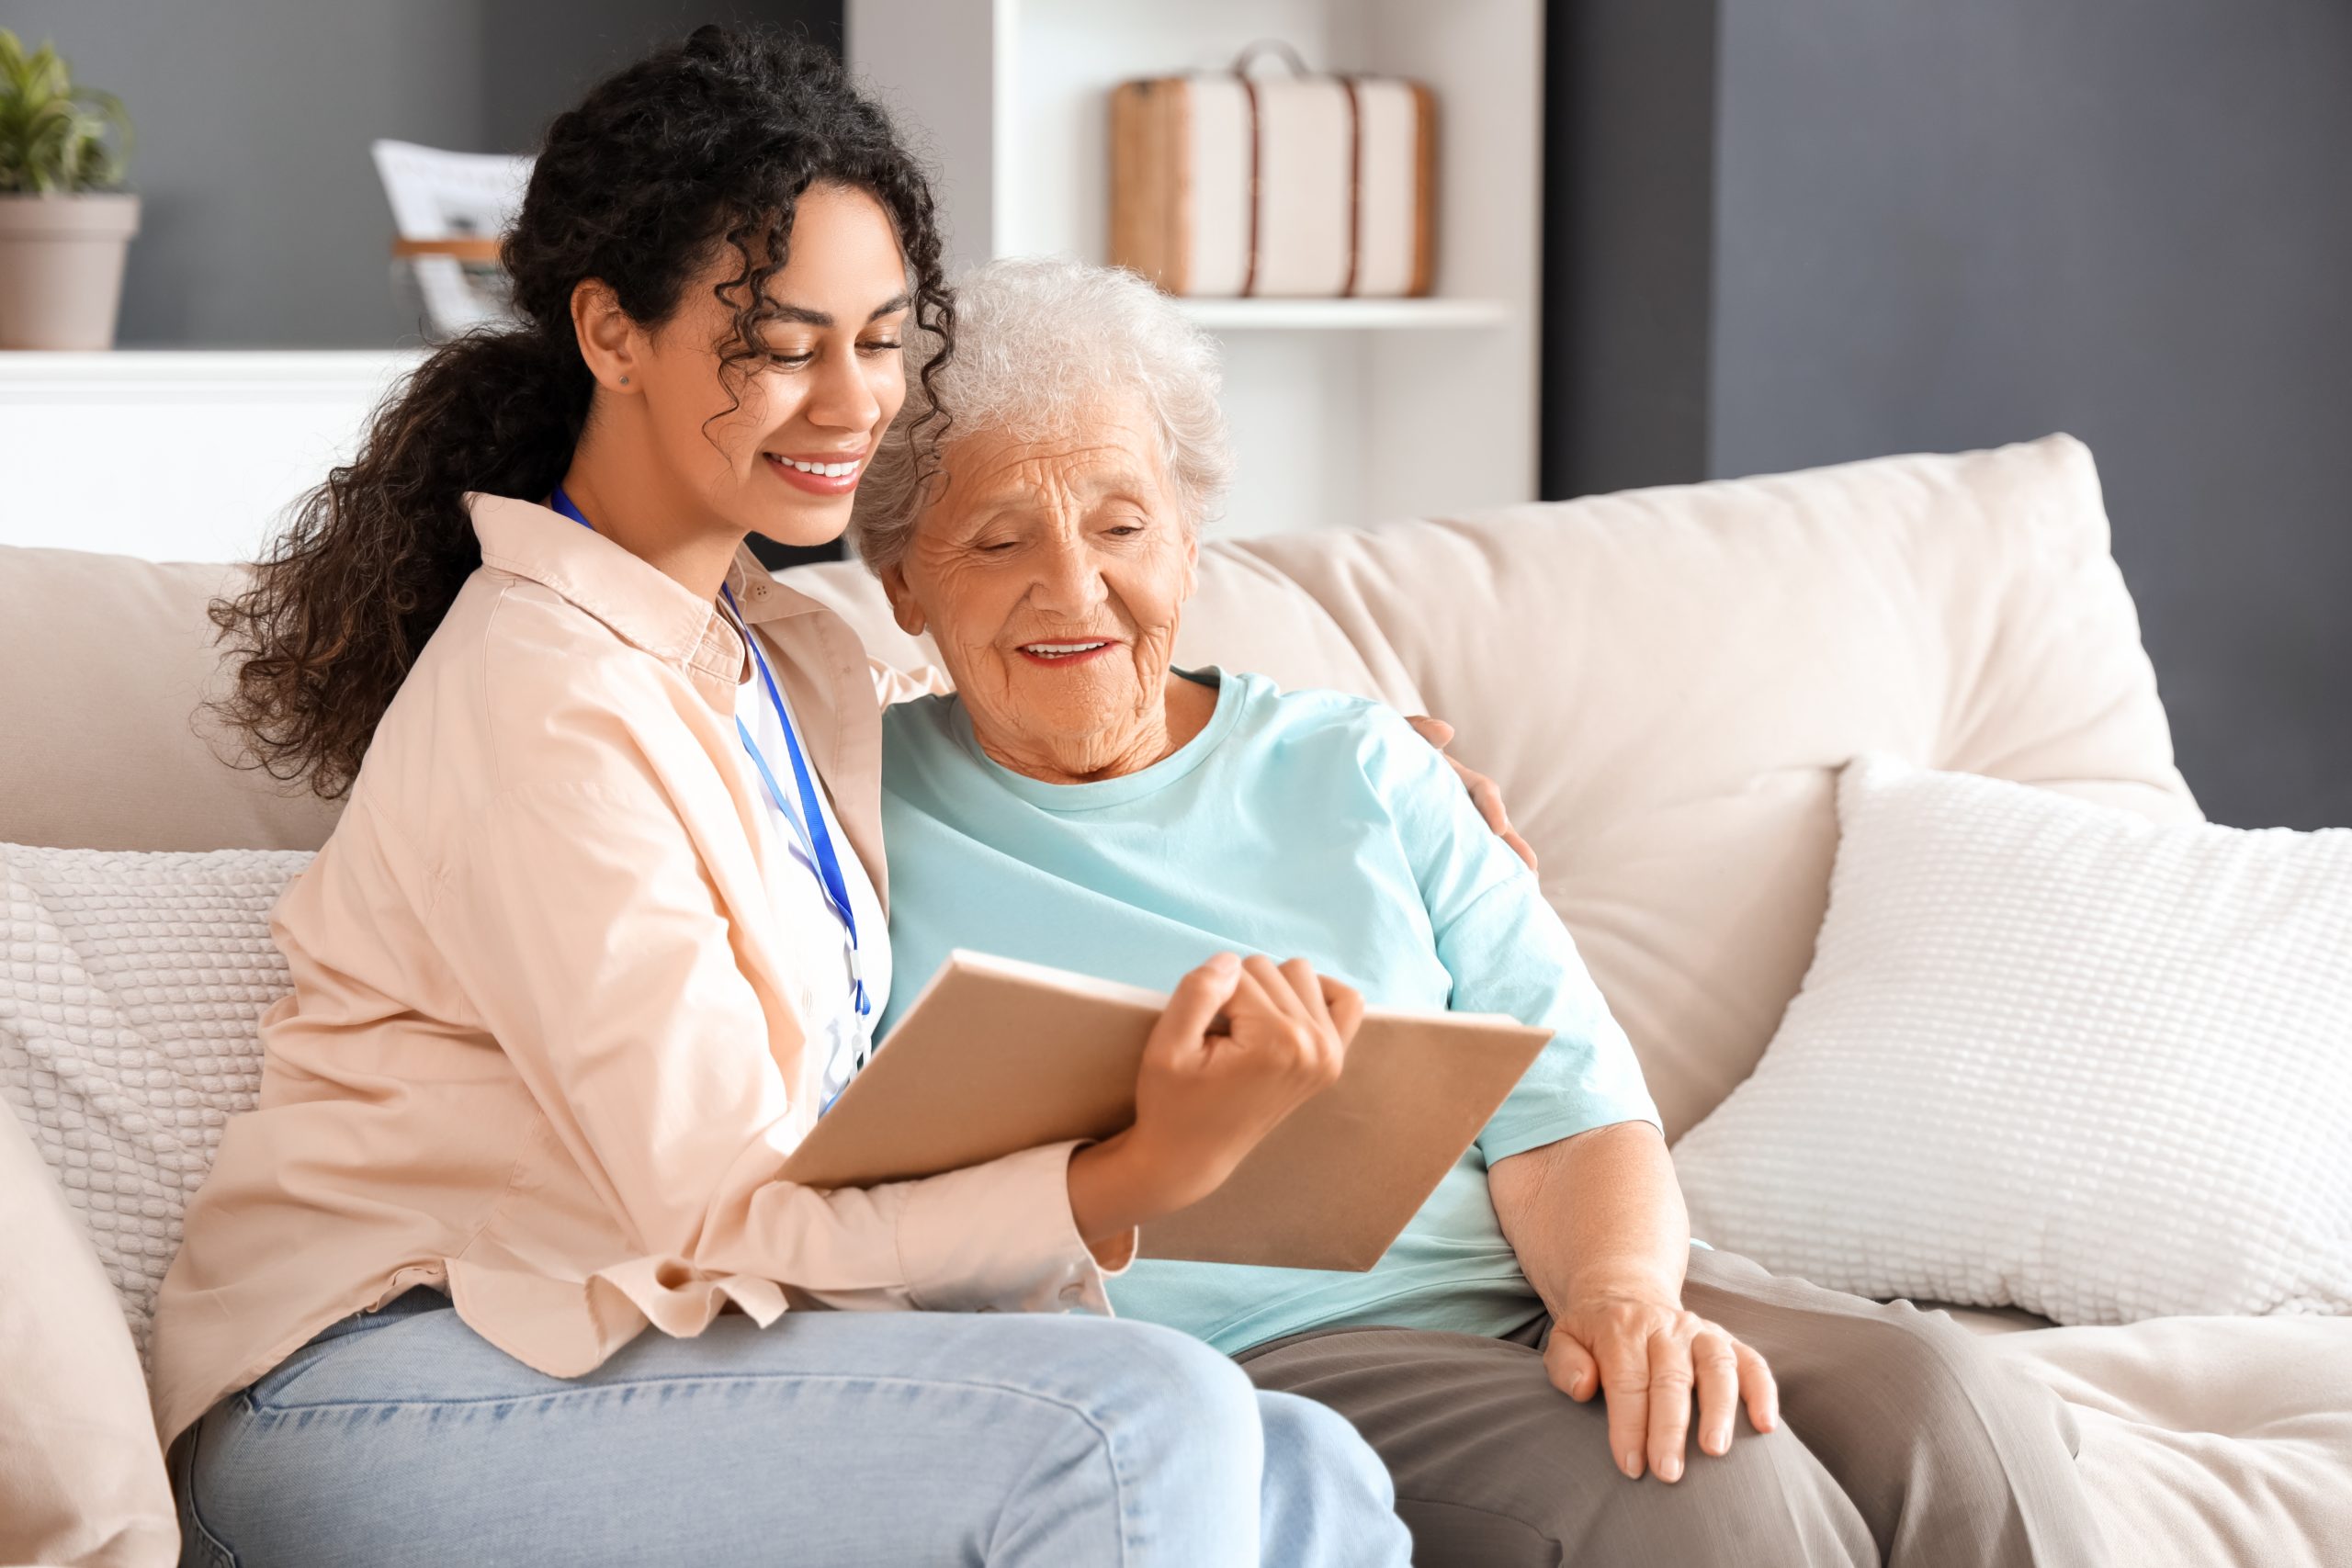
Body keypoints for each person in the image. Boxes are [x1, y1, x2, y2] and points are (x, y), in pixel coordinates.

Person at [153, 31, 1414, 1567]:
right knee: (1143, 1416)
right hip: (374, 1387)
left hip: (621, 1342)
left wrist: (1395, 764)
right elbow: (714, 1217)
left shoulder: (789, 654)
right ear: (613, 335)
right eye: (782, 343)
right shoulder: (542, 700)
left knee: (1308, 1460)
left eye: (881, 341)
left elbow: (1054, 721)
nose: (850, 402)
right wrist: (1129, 1179)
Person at [852, 255, 2112, 1568]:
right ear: (901, 583)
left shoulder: (1366, 769)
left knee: (1947, 1398)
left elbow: (1573, 1108)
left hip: (1542, 1267)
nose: (1072, 586)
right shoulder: (849, 816)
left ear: (1185, 536)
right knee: (1703, 1480)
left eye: (1121, 526)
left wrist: (1622, 1297)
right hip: (1266, 1358)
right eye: (999, 540)